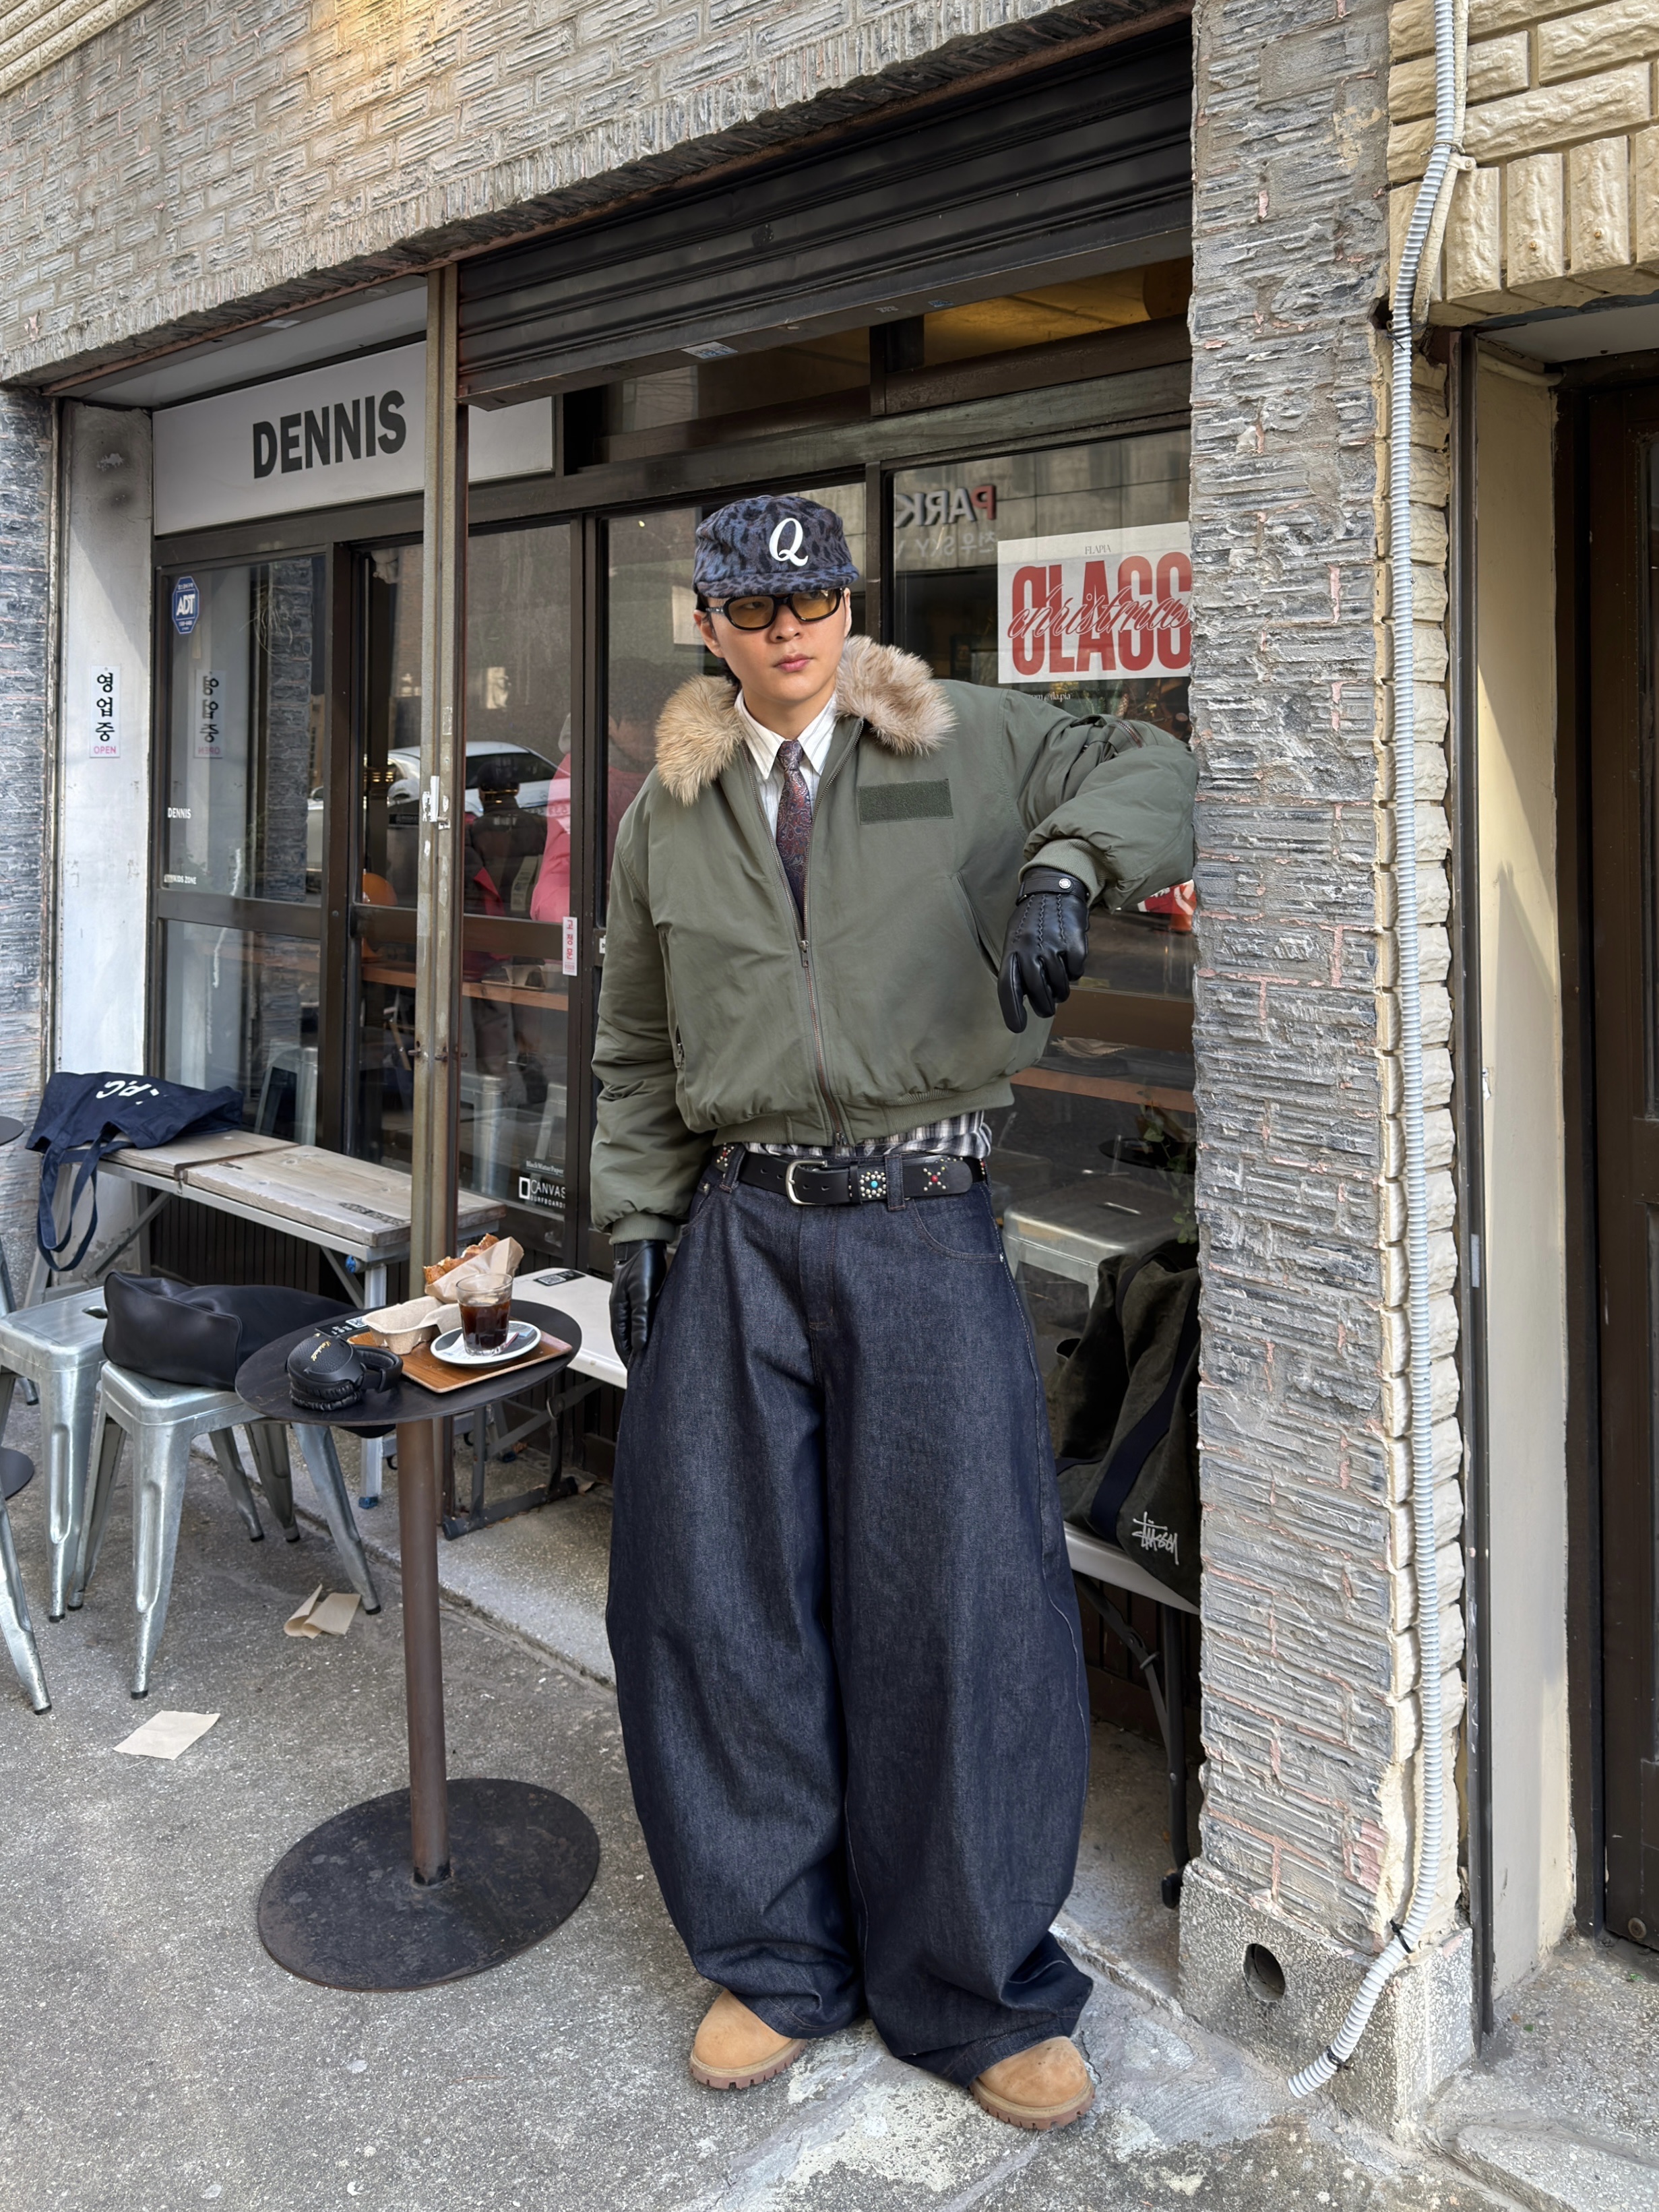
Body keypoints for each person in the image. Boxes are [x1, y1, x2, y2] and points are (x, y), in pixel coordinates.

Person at [591, 495, 1196, 2131]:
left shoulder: (971, 737)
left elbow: (1158, 765)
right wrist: (638, 1225)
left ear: (846, 610)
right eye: (753, 606)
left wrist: (1069, 869)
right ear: (705, 622)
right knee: (719, 1599)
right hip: (742, 1227)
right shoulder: (669, 808)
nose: (790, 631)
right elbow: (637, 1049)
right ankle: (777, 1958)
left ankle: (974, 1984)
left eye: (817, 601)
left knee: (959, 1603)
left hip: (925, 1223)